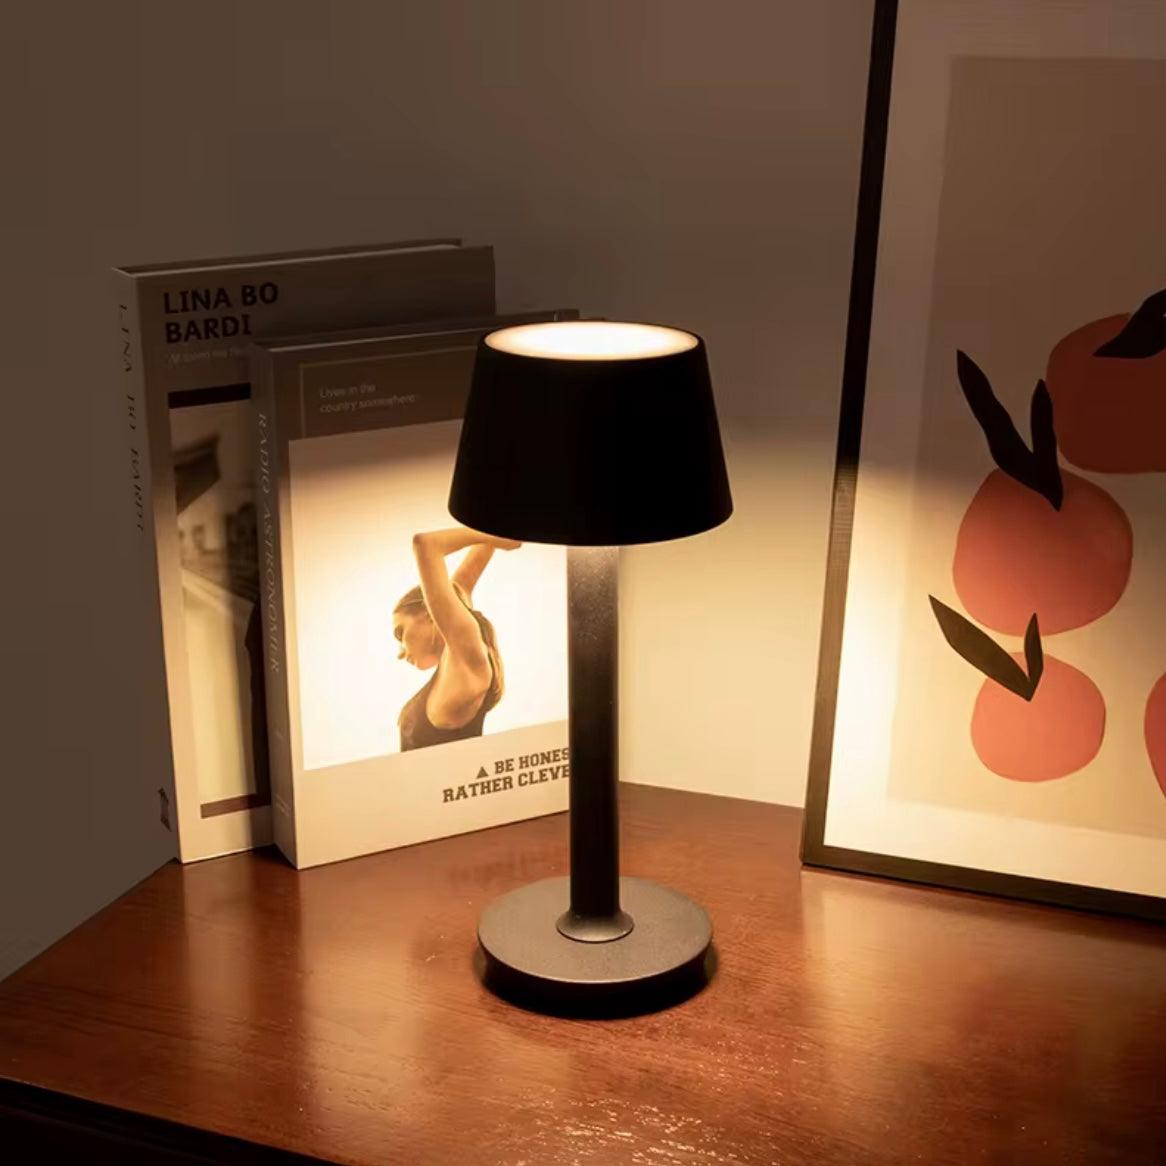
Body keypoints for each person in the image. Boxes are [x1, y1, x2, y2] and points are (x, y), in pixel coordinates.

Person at [393, 526, 520, 752]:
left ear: (430, 614)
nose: (400, 652)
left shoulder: (466, 657)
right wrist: (497, 528)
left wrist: (495, 536)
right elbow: (460, 585)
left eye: (400, 633)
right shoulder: (459, 657)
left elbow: (425, 544)